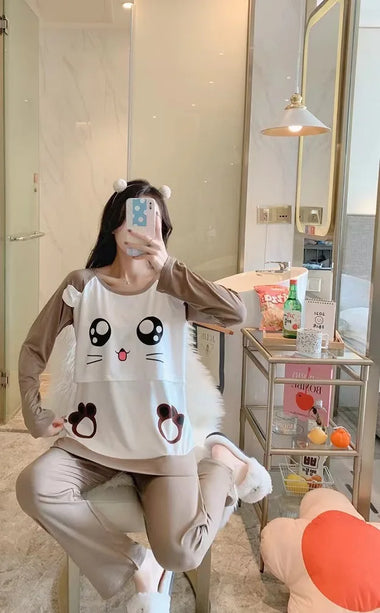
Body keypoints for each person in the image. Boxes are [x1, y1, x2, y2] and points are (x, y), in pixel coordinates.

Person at [16, 179, 272, 613]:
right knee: (34, 486)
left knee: (183, 553)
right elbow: (32, 349)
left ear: (162, 229)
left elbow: (236, 313)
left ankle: (223, 467)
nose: (140, 228)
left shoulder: (174, 287)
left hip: (161, 448)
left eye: (151, 219)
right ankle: (139, 563)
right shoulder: (82, 285)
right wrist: (34, 413)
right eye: (133, 216)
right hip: (92, 445)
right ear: (114, 225)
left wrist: (169, 267)